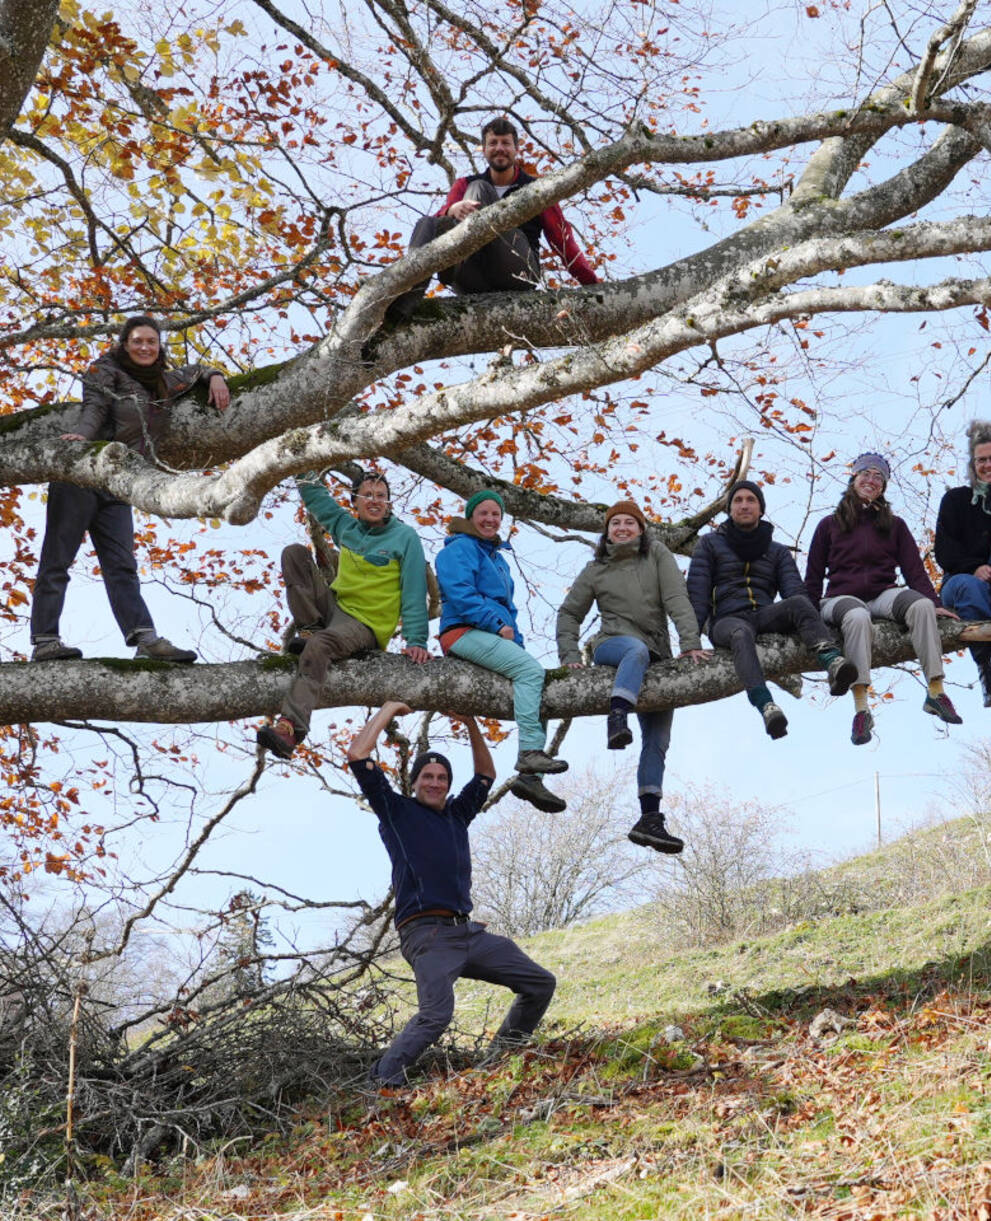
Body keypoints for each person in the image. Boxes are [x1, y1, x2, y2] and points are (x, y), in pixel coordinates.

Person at [348, 701, 556, 1088]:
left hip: (469, 934)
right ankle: (381, 1084)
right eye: (427, 776)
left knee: (540, 983)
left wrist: (472, 723)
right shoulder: (396, 811)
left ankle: (499, 1058)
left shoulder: (457, 815)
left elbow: (485, 774)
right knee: (436, 1015)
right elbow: (358, 755)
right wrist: (390, 710)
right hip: (427, 935)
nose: (435, 782)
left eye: (442, 777)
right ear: (414, 782)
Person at [30, 314, 230, 663]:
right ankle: (45, 640)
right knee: (57, 560)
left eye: (151, 341)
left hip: (119, 483)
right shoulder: (103, 370)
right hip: (83, 474)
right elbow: (95, 408)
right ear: (125, 344)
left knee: (122, 565)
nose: (144, 347)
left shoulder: (164, 382)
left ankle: (145, 640)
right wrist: (83, 438)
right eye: (137, 341)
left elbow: (197, 369)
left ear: (159, 347)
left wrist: (216, 376)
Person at [556, 500, 709, 854]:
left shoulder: (656, 554)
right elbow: (568, 614)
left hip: (657, 655)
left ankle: (649, 820)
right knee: (634, 649)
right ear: (606, 531)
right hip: (612, 647)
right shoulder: (596, 568)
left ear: (641, 529)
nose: (622, 528)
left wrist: (690, 644)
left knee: (657, 741)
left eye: (629, 523)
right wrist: (569, 657)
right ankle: (617, 715)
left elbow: (676, 598)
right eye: (615, 524)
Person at [257, 470, 430, 759]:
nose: (374, 501)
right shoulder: (345, 527)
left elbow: (414, 590)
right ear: (355, 501)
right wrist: (299, 459)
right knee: (294, 553)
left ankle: (290, 728)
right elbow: (317, 497)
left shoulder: (404, 537)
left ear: (388, 503)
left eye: (381, 496)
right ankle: (310, 629)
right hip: (334, 609)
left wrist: (417, 640)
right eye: (367, 495)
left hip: (365, 625)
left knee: (321, 646)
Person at [804, 453, 961, 745]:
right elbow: (812, 576)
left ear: (883, 487)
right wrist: (806, 618)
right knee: (858, 617)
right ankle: (862, 708)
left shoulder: (895, 525)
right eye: (866, 473)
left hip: (882, 594)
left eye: (879, 477)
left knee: (922, 606)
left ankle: (936, 691)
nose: (871, 480)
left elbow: (914, 570)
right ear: (854, 478)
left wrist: (936, 603)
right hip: (840, 597)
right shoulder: (829, 524)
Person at [686, 480, 857, 740]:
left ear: (761, 509)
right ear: (730, 509)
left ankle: (831, 660)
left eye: (751, 500)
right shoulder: (709, 544)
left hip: (764, 615)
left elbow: (796, 593)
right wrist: (691, 641)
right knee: (740, 633)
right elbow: (697, 594)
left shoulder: (776, 551)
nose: (744, 505)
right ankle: (766, 705)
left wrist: (814, 625)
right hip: (726, 621)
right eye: (738, 500)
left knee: (800, 604)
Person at [385, 116, 598, 323]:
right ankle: (404, 303)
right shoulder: (463, 183)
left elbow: (563, 241)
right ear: (485, 150)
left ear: (516, 149)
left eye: (506, 143)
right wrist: (451, 210)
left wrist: (593, 286)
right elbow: (440, 220)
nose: (499, 148)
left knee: (479, 190)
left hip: (517, 271)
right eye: (493, 143)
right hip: (471, 277)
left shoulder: (536, 189)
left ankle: (452, 259)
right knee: (427, 223)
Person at [435, 489, 567, 813]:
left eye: (496, 514)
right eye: (483, 513)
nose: (490, 519)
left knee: (540, 687)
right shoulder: (460, 548)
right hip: (463, 631)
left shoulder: (499, 560)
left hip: (492, 634)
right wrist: (495, 624)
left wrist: (515, 646)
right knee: (531, 672)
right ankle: (530, 753)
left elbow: (510, 612)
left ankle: (530, 779)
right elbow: (460, 593)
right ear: (471, 517)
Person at [935, 420, 991, 706]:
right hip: (961, 583)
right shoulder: (956, 499)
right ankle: (988, 668)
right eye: (982, 460)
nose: (987, 465)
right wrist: (974, 567)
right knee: (970, 589)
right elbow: (943, 550)